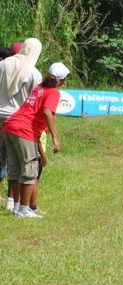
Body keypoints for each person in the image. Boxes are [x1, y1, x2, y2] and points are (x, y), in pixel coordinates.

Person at [2, 62, 67, 218]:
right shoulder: (54, 92)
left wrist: (42, 153)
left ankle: (16, 207)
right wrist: (56, 138)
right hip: (23, 130)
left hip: (9, 126)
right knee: (30, 170)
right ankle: (24, 210)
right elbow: (46, 112)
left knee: (16, 169)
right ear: (62, 80)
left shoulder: (39, 87)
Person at [0, 38, 42, 212]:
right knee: (19, 163)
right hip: (19, 122)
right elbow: (35, 103)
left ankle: (13, 203)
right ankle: (16, 203)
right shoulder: (33, 73)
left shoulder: (3, 65)